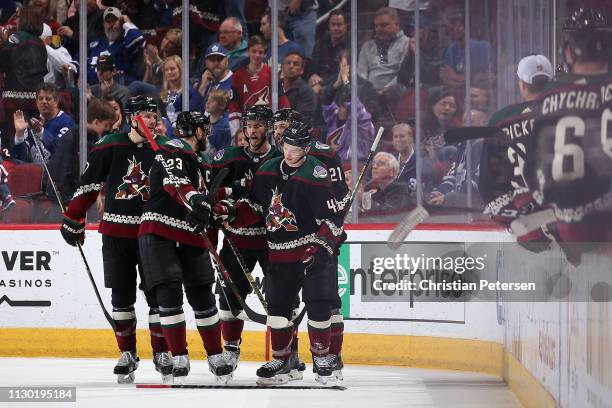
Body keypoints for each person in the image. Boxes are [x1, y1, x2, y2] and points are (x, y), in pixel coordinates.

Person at [220, 121, 344, 384]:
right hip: (278, 252)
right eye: (287, 145)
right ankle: (281, 359)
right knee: (278, 307)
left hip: (309, 252)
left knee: (318, 303)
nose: (290, 152)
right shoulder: (266, 171)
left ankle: (321, 357)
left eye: (296, 147)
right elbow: (254, 207)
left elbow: (330, 220)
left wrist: (320, 247)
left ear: (306, 149)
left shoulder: (317, 175)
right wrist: (230, 212)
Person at [60, 96, 172, 383]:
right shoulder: (109, 144)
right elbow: (88, 185)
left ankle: (161, 352)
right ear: (133, 118)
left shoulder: (164, 149)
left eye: (154, 115)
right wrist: (74, 218)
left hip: (153, 234)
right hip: (116, 234)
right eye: (147, 115)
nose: (153, 120)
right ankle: (127, 352)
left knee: (157, 296)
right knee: (121, 296)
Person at [138, 110, 234, 382]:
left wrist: (216, 206)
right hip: (159, 231)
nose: (208, 134)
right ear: (197, 131)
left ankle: (215, 355)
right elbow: (177, 186)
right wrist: (197, 202)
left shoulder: (199, 158)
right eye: (205, 129)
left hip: (191, 233)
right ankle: (179, 355)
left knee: (203, 294)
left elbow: (201, 195)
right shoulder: (172, 148)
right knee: (168, 295)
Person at [523, 8, 612, 263]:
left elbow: (534, 171)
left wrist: (548, 206)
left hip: (573, 230)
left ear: (569, 51)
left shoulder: (550, 96)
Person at [272, 108, 349, 380]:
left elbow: (340, 198)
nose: (279, 131)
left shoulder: (325, 153)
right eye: (277, 127)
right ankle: (290, 357)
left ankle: (331, 357)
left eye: (284, 125)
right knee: (287, 301)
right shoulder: (277, 155)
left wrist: (331, 232)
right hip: (288, 241)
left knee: (326, 299)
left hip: (320, 238)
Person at [209, 104, 282, 377]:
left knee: (281, 295)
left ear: (269, 129)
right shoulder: (229, 158)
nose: (252, 131)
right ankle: (230, 348)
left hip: (271, 240)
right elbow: (211, 192)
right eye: (249, 126)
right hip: (236, 239)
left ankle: (286, 353)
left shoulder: (279, 158)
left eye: (258, 126)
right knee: (229, 296)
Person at [479, 54, 554, 250]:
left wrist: (512, 219)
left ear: (521, 84)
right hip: (568, 223)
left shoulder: (500, 118)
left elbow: (488, 182)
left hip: (523, 222)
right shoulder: (568, 111)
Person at [47, 98, 115, 207]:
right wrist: (69, 202)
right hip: (67, 201)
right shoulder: (70, 139)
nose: (107, 129)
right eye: (106, 125)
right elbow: (61, 175)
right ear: (96, 122)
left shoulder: (94, 139)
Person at [0, 5, 47, 149]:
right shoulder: (40, 43)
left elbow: (3, 62)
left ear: (25, 19)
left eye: (18, 17)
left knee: (16, 141)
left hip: (14, 101)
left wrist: (4, 41)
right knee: (33, 142)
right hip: (35, 100)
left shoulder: (15, 38)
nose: (15, 20)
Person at [228, 35, 290, 136]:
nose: (257, 55)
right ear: (248, 51)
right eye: (254, 51)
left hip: (269, 129)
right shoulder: (237, 76)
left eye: (260, 52)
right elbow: (234, 106)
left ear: (265, 54)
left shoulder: (272, 73)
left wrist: (283, 124)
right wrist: (236, 132)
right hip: (248, 129)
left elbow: (282, 100)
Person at [12, 83, 76, 163]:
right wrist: (19, 134)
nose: (44, 102)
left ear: (56, 101)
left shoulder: (67, 122)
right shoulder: (32, 122)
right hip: (34, 172)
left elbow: (61, 150)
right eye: (40, 99)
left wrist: (41, 132)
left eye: (48, 99)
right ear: (36, 102)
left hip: (56, 172)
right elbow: (21, 157)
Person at [357, 7, 409, 95]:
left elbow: (403, 76)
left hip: (394, 92)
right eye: (376, 26)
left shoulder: (406, 43)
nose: (378, 29)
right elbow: (361, 75)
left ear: (397, 24)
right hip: (370, 94)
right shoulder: (367, 46)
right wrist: (369, 91)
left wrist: (385, 90)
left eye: (383, 25)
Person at [86, 7, 145, 85]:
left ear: (121, 23)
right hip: (90, 87)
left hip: (118, 87)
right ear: (103, 24)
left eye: (114, 21)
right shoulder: (95, 43)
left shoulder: (126, 42)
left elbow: (139, 39)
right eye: (108, 21)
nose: (111, 25)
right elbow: (80, 59)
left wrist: (127, 23)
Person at [308, 9, 349, 91]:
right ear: (329, 26)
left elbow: (346, 73)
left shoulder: (350, 45)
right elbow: (313, 68)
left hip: (340, 84)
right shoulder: (319, 44)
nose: (336, 28)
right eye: (333, 24)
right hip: (320, 83)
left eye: (339, 25)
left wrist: (323, 82)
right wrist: (313, 75)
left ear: (345, 27)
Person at [362, 152, 413, 217]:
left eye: (380, 164)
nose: (374, 167)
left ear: (392, 171)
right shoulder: (370, 189)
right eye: (373, 164)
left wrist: (366, 199)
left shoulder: (402, 190)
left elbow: (389, 214)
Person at [280, 52, 315, 126]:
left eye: (295, 64)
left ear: (302, 70)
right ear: (282, 68)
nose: (291, 66)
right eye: (288, 63)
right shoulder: (275, 87)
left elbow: (303, 119)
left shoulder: (306, 91)